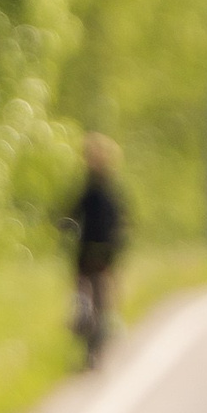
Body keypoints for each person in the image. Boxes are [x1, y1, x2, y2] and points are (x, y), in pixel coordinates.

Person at [64, 133, 128, 368]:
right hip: (101, 248)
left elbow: (72, 212)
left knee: (88, 287)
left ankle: (93, 323)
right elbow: (121, 217)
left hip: (93, 247)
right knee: (99, 289)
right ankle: (101, 323)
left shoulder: (92, 188)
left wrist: (65, 223)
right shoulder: (108, 188)